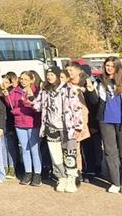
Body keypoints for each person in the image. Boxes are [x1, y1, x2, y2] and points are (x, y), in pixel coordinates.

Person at [37, 66, 83, 193]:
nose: (49, 77)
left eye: (52, 74)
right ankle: (61, 177)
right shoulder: (45, 90)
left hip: (67, 127)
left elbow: (76, 108)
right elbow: (38, 105)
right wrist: (29, 98)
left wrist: (78, 126)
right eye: (48, 74)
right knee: (55, 154)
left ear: (57, 75)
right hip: (51, 127)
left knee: (69, 152)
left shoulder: (68, 89)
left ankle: (71, 178)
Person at [86, 56, 122, 192]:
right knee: (110, 151)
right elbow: (95, 101)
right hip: (105, 119)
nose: (109, 68)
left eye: (112, 66)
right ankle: (115, 182)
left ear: (117, 67)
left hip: (120, 120)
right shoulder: (99, 81)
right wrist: (90, 90)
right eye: (107, 65)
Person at [9, 72, 42, 186]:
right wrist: (6, 96)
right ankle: (28, 171)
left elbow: (36, 108)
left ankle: (37, 173)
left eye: (26, 79)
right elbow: (12, 105)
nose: (23, 81)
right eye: (21, 79)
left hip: (33, 123)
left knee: (34, 148)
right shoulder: (15, 91)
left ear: (31, 80)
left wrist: (18, 110)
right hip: (19, 123)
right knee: (24, 148)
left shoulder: (36, 90)